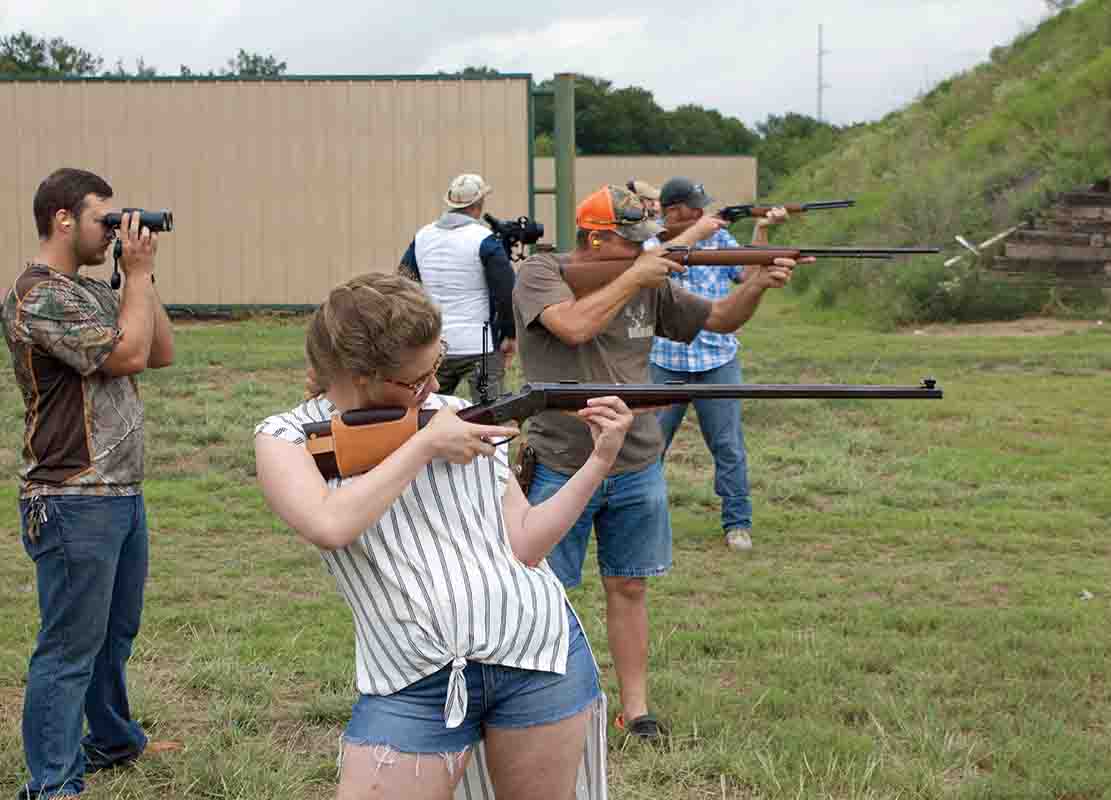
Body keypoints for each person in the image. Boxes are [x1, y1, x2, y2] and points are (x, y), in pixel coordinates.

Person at [254, 272, 629, 800]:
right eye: (417, 379)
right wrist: (424, 446)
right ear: (362, 376)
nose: (434, 387)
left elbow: (525, 543)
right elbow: (329, 524)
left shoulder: (454, 417)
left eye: (438, 365)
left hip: (535, 651)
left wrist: (599, 461)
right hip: (411, 678)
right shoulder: (286, 437)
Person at [512, 184, 796, 741]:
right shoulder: (541, 273)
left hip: (637, 459)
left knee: (631, 587)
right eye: (630, 240)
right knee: (544, 592)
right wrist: (634, 278)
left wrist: (758, 281)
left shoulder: (648, 282)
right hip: (561, 460)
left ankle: (636, 711)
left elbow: (718, 320)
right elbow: (573, 326)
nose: (644, 249)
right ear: (594, 238)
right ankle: (539, 704)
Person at [2, 168, 176, 800]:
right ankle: (52, 783)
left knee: (113, 635)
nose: (115, 232)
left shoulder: (88, 291)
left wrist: (141, 278)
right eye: (106, 220)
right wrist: (132, 277)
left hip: (119, 493)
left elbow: (156, 351)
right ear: (62, 219)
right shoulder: (38, 295)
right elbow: (125, 357)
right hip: (71, 495)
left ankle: (110, 739)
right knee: (69, 647)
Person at [649, 177, 789, 553]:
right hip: (667, 359)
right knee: (649, 447)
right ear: (675, 211)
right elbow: (655, 259)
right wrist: (696, 232)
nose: (703, 211)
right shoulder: (653, 240)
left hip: (718, 356)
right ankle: (639, 519)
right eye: (695, 207)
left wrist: (761, 230)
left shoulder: (719, 238)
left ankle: (737, 524)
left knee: (728, 447)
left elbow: (747, 273)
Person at [400, 173, 516, 403]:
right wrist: (510, 334)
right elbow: (506, 292)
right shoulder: (485, 239)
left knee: (428, 413)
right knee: (491, 415)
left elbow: (403, 283)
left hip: (435, 344)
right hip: (480, 344)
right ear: (479, 204)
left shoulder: (422, 237)